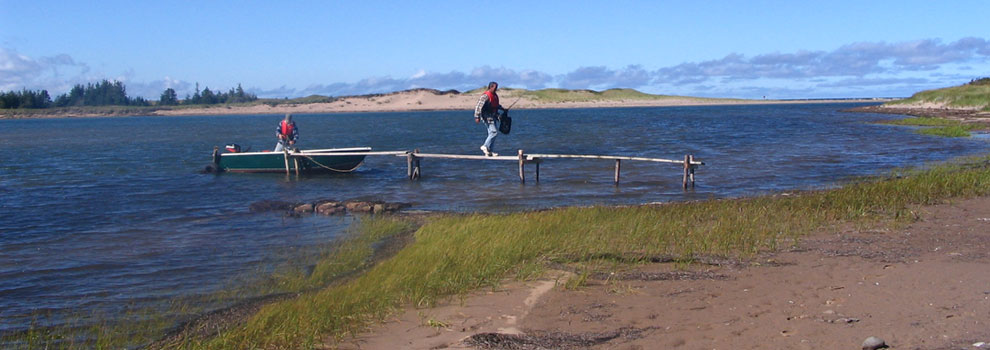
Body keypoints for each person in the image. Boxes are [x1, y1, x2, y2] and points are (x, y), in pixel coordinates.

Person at [474, 81, 506, 156]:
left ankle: (489, 151)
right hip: (487, 116)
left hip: (493, 115)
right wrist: (477, 116)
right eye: (495, 87)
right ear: (491, 87)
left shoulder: (494, 96)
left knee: (491, 133)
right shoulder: (485, 96)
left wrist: (503, 109)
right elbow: (478, 106)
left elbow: (496, 105)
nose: (496, 89)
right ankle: (485, 146)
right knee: (494, 132)